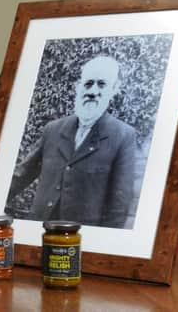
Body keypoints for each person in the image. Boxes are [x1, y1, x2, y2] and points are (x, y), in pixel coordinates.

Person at [8, 56, 136, 228]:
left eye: (102, 84)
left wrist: (103, 246)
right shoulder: (53, 129)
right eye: (88, 83)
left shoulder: (123, 135)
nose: (93, 91)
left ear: (114, 90)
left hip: (82, 240)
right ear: (79, 87)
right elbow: (21, 175)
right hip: (40, 231)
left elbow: (119, 205)